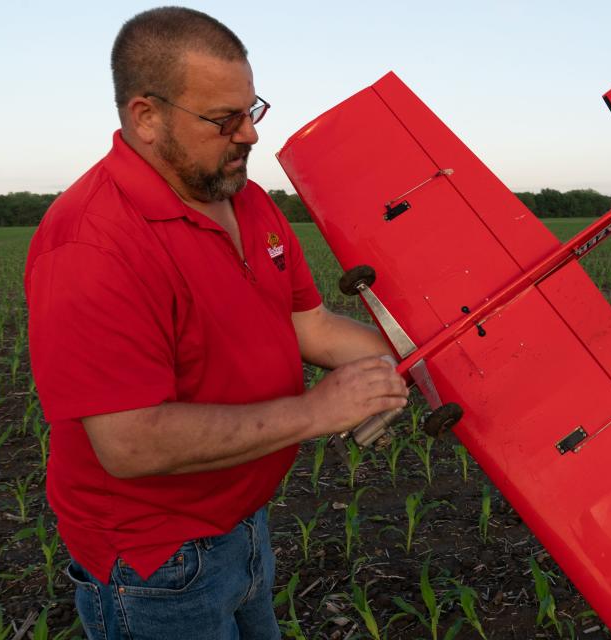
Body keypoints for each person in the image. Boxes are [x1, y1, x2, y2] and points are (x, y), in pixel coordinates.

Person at [23, 7, 408, 639]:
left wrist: (427, 353)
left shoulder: (243, 197)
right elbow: (131, 443)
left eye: (251, 111)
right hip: (157, 561)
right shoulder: (93, 245)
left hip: (242, 519)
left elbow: (306, 324)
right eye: (223, 119)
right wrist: (318, 411)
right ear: (147, 117)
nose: (249, 136)